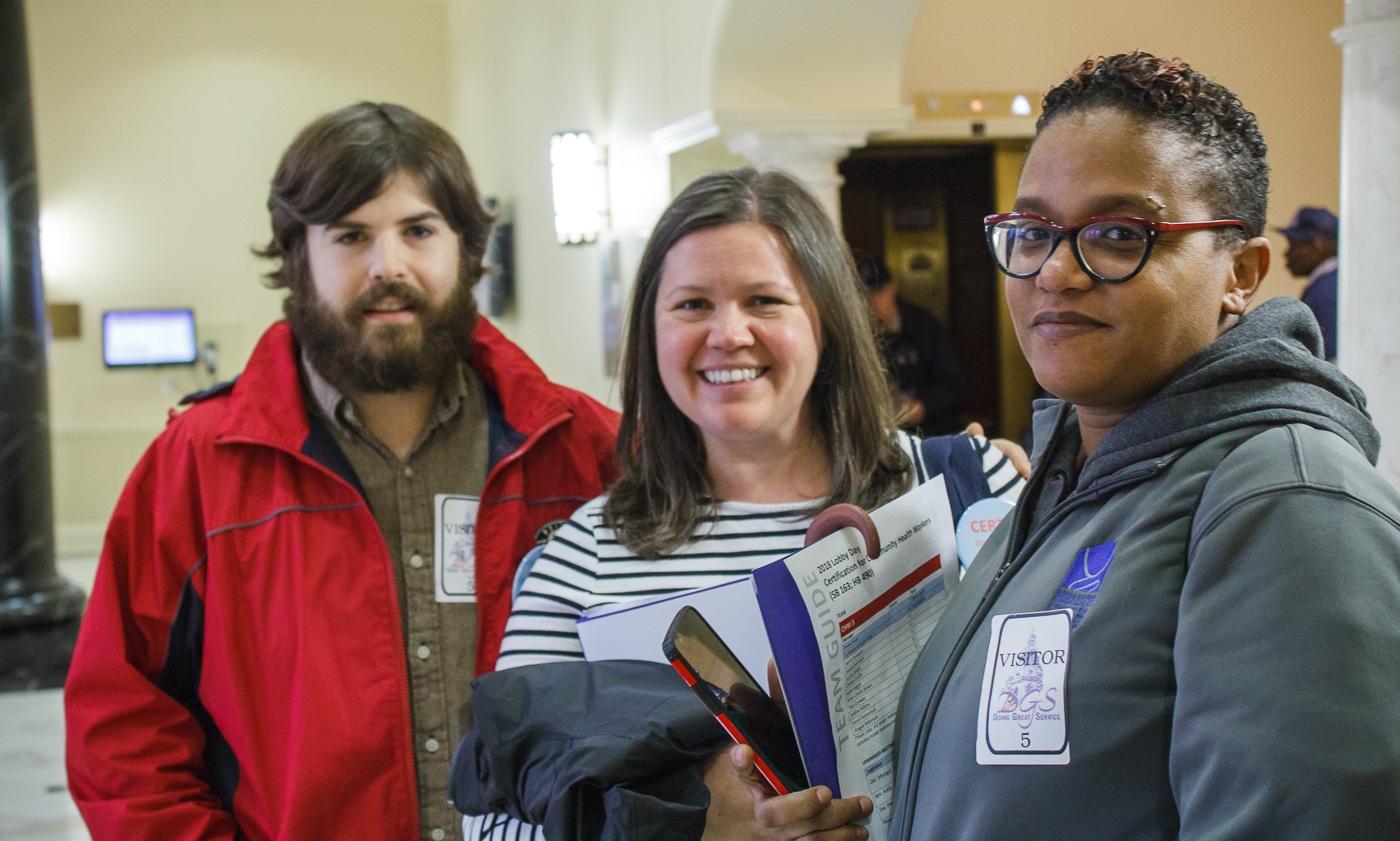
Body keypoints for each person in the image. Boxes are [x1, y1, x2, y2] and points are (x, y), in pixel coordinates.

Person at [747, 52, 1400, 839]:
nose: (1055, 271)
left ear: (1241, 271)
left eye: (1119, 234)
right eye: (1032, 232)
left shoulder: (1283, 502)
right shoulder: (1068, 476)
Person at [64, 102, 621, 841]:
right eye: (351, 236)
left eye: (419, 231)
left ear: (466, 248)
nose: (388, 265)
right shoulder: (196, 467)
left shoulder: (584, 448)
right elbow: (121, 727)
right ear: (299, 257)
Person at [465, 168, 1025, 840]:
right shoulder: (583, 556)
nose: (728, 333)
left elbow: (1073, 733)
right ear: (650, 332)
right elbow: (493, 819)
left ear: (826, 320)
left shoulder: (967, 490)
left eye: (764, 300)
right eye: (692, 305)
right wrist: (692, 827)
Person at [855, 255, 966, 434]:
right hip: (877, 433)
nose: (871, 302)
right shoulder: (854, 334)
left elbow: (953, 384)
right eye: (863, 295)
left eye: (878, 292)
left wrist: (922, 405)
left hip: (927, 432)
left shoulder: (925, 327)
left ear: (891, 289)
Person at [1279, 205, 1339, 361]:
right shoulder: (1334, 281)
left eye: (1294, 245)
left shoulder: (1326, 289)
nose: (1286, 253)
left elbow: (1331, 360)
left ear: (1317, 245)